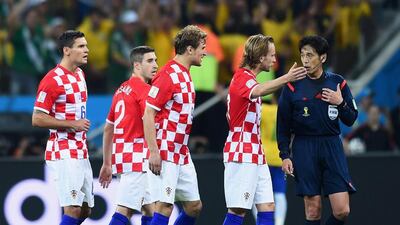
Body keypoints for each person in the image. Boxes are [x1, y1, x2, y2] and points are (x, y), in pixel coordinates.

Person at [222, 34, 307, 225]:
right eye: (272, 55)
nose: (275, 60)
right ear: (261, 57)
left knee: (268, 206)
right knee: (237, 209)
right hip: (241, 151)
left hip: (256, 152)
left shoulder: (248, 78)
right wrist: (287, 78)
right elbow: (259, 90)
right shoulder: (242, 77)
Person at [277, 35, 358, 225]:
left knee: (342, 210)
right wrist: (284, 155)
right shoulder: (292, 86)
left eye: (310, 55)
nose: (305, 60)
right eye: (303, 55)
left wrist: (340, 103)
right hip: (304, 147)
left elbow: (351, 119)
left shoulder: (338, 83)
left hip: (331, 145)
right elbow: (282, 124)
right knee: (313, 210)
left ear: (323, 58)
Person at [143, 25, 207, 225]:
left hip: (181, 151)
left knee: (194, 206)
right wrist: (154, 151)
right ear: (189, 49)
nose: (205, 52)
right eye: (202, 47)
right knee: (164, 206)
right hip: (165, 148)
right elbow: (148, 113)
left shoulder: (185, 74)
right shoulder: (167, 75)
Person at [32, 30, 93, 225]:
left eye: (86, 46)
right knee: (73, 209)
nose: (87, 50)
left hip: (80, 150)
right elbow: (37, 118)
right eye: (81, 46)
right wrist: (71, 124)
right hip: (63, 150)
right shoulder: (52, 79)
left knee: (85, 210)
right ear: (67, 50)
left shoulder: (80, 74)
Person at [99, 46, 159, 225]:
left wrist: (107, 163)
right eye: (150, 61)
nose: (155, 65)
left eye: (156, 60)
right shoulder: (144, 91)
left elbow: (108, 128)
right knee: (124, 210)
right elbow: (151, 122)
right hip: (137, 157)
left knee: (151, 209)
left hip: (123, 154)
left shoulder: (121, 90)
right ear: (137, 66)